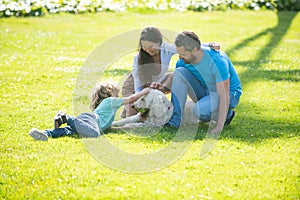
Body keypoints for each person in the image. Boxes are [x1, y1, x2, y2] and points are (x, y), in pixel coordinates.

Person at [121, 26, 220, 117]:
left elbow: (188, 48)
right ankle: (127, 110)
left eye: (150, 46)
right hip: (134, 87)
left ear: (159, 42)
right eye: (144, 46)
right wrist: (142, 97)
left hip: (155, 85)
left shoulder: (166, 49)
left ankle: (172, 111)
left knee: (175, 75)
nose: (147, 49)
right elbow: (138, 88)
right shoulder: (138, 58)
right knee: (135, 114)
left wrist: (210, 45)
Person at [158, 31, 242, 134]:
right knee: (179, 72)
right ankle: (174, 122)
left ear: (194, 50)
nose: (180, 57)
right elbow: (178, 84)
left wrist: (219, 128)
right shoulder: (183, 62)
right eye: (179, 53)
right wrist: (162, 88)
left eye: (183, 54)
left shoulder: (217, 60)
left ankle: (227, 115)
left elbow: (224, 95)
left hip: (229, 94)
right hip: (205, 90)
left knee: (199, 111)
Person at [29, 84, 150, 141]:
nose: (118, 97)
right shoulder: (111, 101)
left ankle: (45, 133)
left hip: (85, 122)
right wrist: (145, 91)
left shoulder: (106, 108)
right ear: (110, 93)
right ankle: (66, 118)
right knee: (94, 134)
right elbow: (132, 99)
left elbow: (108, 127)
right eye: (116, 94)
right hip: (90, 120)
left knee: (67, 132)